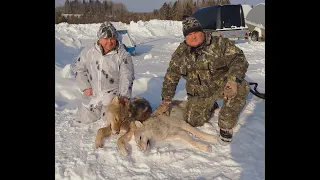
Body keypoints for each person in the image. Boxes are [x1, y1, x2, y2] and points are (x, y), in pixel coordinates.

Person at [154, 17, 250, 144]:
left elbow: (239, 59)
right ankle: (211, 105)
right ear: (185, 37)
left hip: (223, 87)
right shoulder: (181, 53)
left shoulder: (220, 44)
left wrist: (233, 80)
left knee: (241, 86)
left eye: (195, 32)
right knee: (193, 121)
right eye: (189, 34)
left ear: (202, 32)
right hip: (200, 95)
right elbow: (171, 76)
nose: (193, 37)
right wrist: (166, 100)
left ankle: (226, 124)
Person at [73, 21, 134, 124]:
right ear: (100, 38)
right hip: (93, 94)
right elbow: (79, 68)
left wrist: (123, 97)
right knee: (83, 120)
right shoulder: (89, 52)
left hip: (112, 97)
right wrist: (86, 87)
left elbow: (127, 76)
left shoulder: (123, 55)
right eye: (106, 39)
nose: (109, 42)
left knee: (111, 122)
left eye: (112, 38)